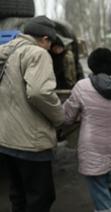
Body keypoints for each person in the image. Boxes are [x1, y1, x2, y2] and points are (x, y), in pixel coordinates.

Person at [62, 48, 111, 212]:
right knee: (108, 165)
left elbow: (67, 116)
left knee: (96, 182)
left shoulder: (82, 87)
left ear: (91, 66)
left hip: (92, 146)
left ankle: (108, 207)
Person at [0, 16, 65, 212]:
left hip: (6, 139)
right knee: (40, 198)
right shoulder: (37, 53)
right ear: (44, 39)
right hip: (31, 142)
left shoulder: (6, 52)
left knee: (18, 197)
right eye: (50, 42)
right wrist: (59, 116)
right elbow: (39, 92)